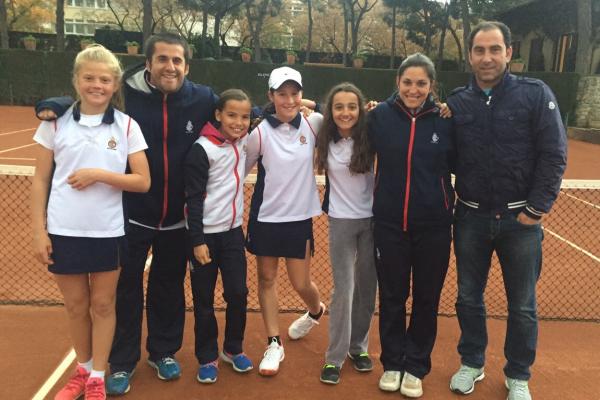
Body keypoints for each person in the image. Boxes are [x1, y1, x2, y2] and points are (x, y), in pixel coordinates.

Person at [36, 33, 219, 395]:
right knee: (124, 291)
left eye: (177, 60)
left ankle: (163, 352)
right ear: (148, 63)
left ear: (187, 66)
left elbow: (240, 111)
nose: (170, 66)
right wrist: (54, 103)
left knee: (168, 287)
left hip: (177, 216)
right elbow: (92, 94)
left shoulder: (201, 99)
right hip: (128, 216)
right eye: (163, 59)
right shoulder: (127, 96)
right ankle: (120, 362)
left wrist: (294, 108)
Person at [447, 21, 567, 400]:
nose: (487, 58)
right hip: (469, 219)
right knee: (468, 298)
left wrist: (536, 208)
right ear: (469, 55)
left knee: (523, 306)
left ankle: (518, 374)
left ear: (509, 53)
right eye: (479, 50)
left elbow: (554, 154)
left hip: (521, 223)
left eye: (494, 49)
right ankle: (472, 362)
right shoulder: (456, 102)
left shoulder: (536, 95)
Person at [30, 45, 151, 400]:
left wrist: (100, 175)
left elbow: (142, 181)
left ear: (114, 84)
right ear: (77, 81)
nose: (96, 85)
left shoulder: (127, 125)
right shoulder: (54, 124)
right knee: (75, 306)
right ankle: (82, 370)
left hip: (107, 233)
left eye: (104, 79)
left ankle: (99, 374)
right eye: (89, 78)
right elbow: (39, 179)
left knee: (102, 305)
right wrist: (39, 231)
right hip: (63, 231)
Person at [368, 53, 455, 398]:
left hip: (434, 226)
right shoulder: (379, 117)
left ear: (431, 86)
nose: (413, 90)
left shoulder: (447, 120)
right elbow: (340, 123)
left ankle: (416, 365)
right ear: (397, 83)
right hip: (389, 224)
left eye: (421, 84)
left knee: (426, 299)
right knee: (391, 296)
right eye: (407, 82)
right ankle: (392, 363)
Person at [245, 66, 325, 376]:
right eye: (282, 94)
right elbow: (240, 167)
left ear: (302, 95)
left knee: (301, 282)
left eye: (295, 93)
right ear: (271, 96)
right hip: (265, 218)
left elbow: (347, 117)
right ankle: (274, 343)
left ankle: (316, 310)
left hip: (299, 219)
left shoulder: (314, 123)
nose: (289, 100)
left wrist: (314, 106)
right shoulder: (259, 133)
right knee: (266, 279)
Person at [183, 89, 254, 384]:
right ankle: (207, 356)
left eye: (245, 116)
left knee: (238, 293)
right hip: (204, 238)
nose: (239, 122)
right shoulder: (202, 149)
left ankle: (233, 348)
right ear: (218, 115)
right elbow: (193, 199)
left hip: (233, 234)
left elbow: (270, 111)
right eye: (232, 115)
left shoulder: (244, 141)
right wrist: (197, 240)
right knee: (203, 300)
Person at [314, 82, 377, 385]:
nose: (345, 112)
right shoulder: (322, 133)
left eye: (352, 106)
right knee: (344, 290)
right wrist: (306, 106)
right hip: (341, 222)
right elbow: (287, 110)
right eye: (338, 106)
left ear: (361, 109)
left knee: (366, 288)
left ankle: (358, 347)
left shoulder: (373, 134)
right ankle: (334, 357)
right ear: (330, 110)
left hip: (373, 222)